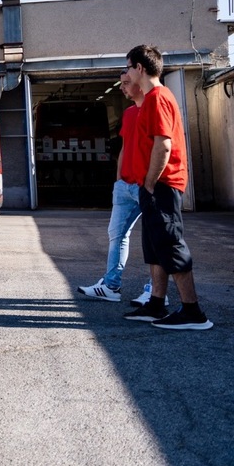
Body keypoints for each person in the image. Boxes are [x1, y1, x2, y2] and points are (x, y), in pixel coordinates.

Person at [122, 45, 212, 330]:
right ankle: (157, 305)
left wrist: (149, 183)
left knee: (171, 245)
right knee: (155, 247)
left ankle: (193, 312)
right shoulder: (150, 98)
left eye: (128, 67)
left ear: (139, 68)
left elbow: (164, 144)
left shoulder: (158, 97)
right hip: (151, 187)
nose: (126, 74)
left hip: (161, 184)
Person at [76, 69, 156, 304]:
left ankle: (155, 291)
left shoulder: (154, 108)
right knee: (117, 235)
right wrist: (119, 179)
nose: (121, 87)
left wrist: (150, 182)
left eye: (126, 82)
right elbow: (125, 148)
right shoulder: (129, 114)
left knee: (155, 239)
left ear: (140, 83)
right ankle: (111, 286)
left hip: (148, 186)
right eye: (120, 83)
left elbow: (162, 147)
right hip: (125, 187)